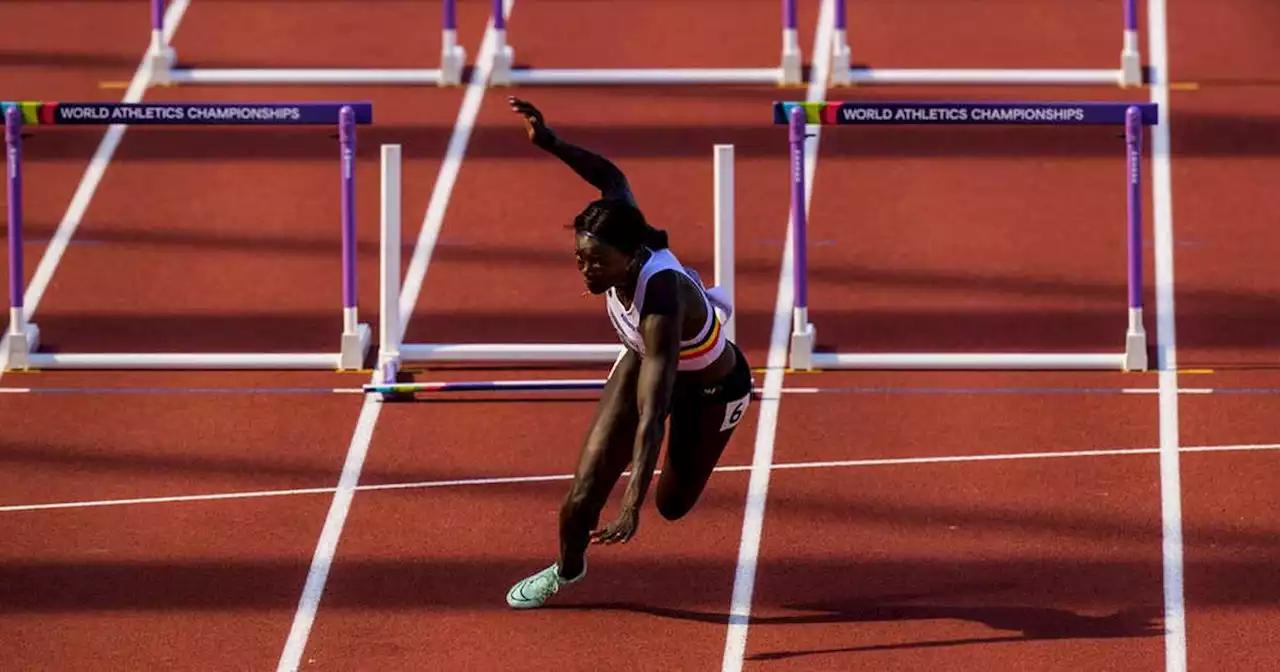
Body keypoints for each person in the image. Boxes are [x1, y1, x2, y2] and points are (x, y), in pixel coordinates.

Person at [504, 97, 754, 610]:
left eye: (597, 263)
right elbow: (609, 174)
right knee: (579, 500)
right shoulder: (624, 222)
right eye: (579, 258)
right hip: (641, 360)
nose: (586, 272)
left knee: (671, 505)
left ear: (631, 256)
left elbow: (654, 413)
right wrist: (549, 141)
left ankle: (672, 477)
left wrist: (632, 502)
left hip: (707, 388)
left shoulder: (660, 300)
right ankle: (566, 570)